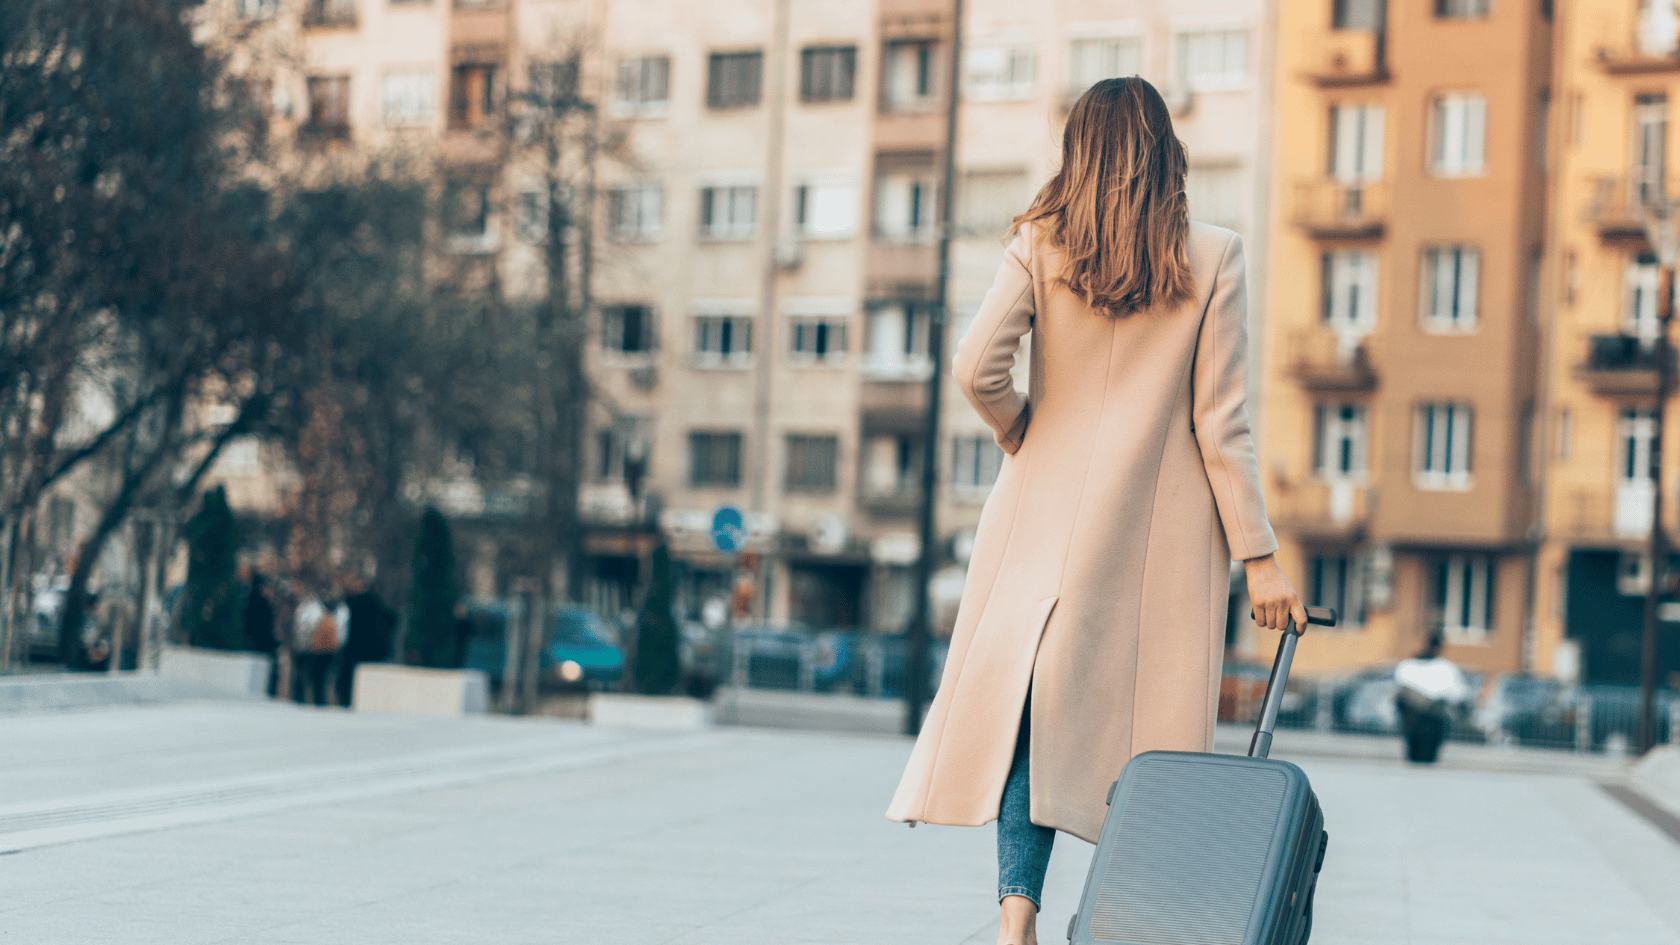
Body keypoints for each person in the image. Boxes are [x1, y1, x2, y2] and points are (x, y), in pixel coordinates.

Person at [884, 77, 1307, 945]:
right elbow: (1220, 422)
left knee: (1032, 714)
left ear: (1080, 155)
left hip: (1042, 520)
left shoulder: (1040, 244)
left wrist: (1024, 433)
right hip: (1159, 539)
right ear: (1165, 154)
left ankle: (1017, 914)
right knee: (1149, 738)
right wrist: (1259, 556)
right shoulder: (1213, 254)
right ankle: (1137, 912)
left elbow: (975, 369)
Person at [1394, 634, 1473, 764]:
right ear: (1439, 647)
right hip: (1432, 721)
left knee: (1414, 759)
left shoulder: (1406, 666)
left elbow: (1400, 692)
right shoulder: (1445, 668)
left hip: (1412, 721)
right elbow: (1458, 694)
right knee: (1426, 760)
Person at [337, 576, 393, 709]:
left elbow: (343, 626)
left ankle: (346, 704)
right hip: (375, 651)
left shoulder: (352, 604)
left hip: (353, 649)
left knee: (347, 682)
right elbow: (391, 620)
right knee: (371, 684)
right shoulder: (379, 605)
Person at [291, 593, 343, 707]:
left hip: (313, 650)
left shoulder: (311, 610)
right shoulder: (335, 612)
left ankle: (304, 701)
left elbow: (304, 629)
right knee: (320, 680)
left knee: (310, 678)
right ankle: (319, 703)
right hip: (329, 651)